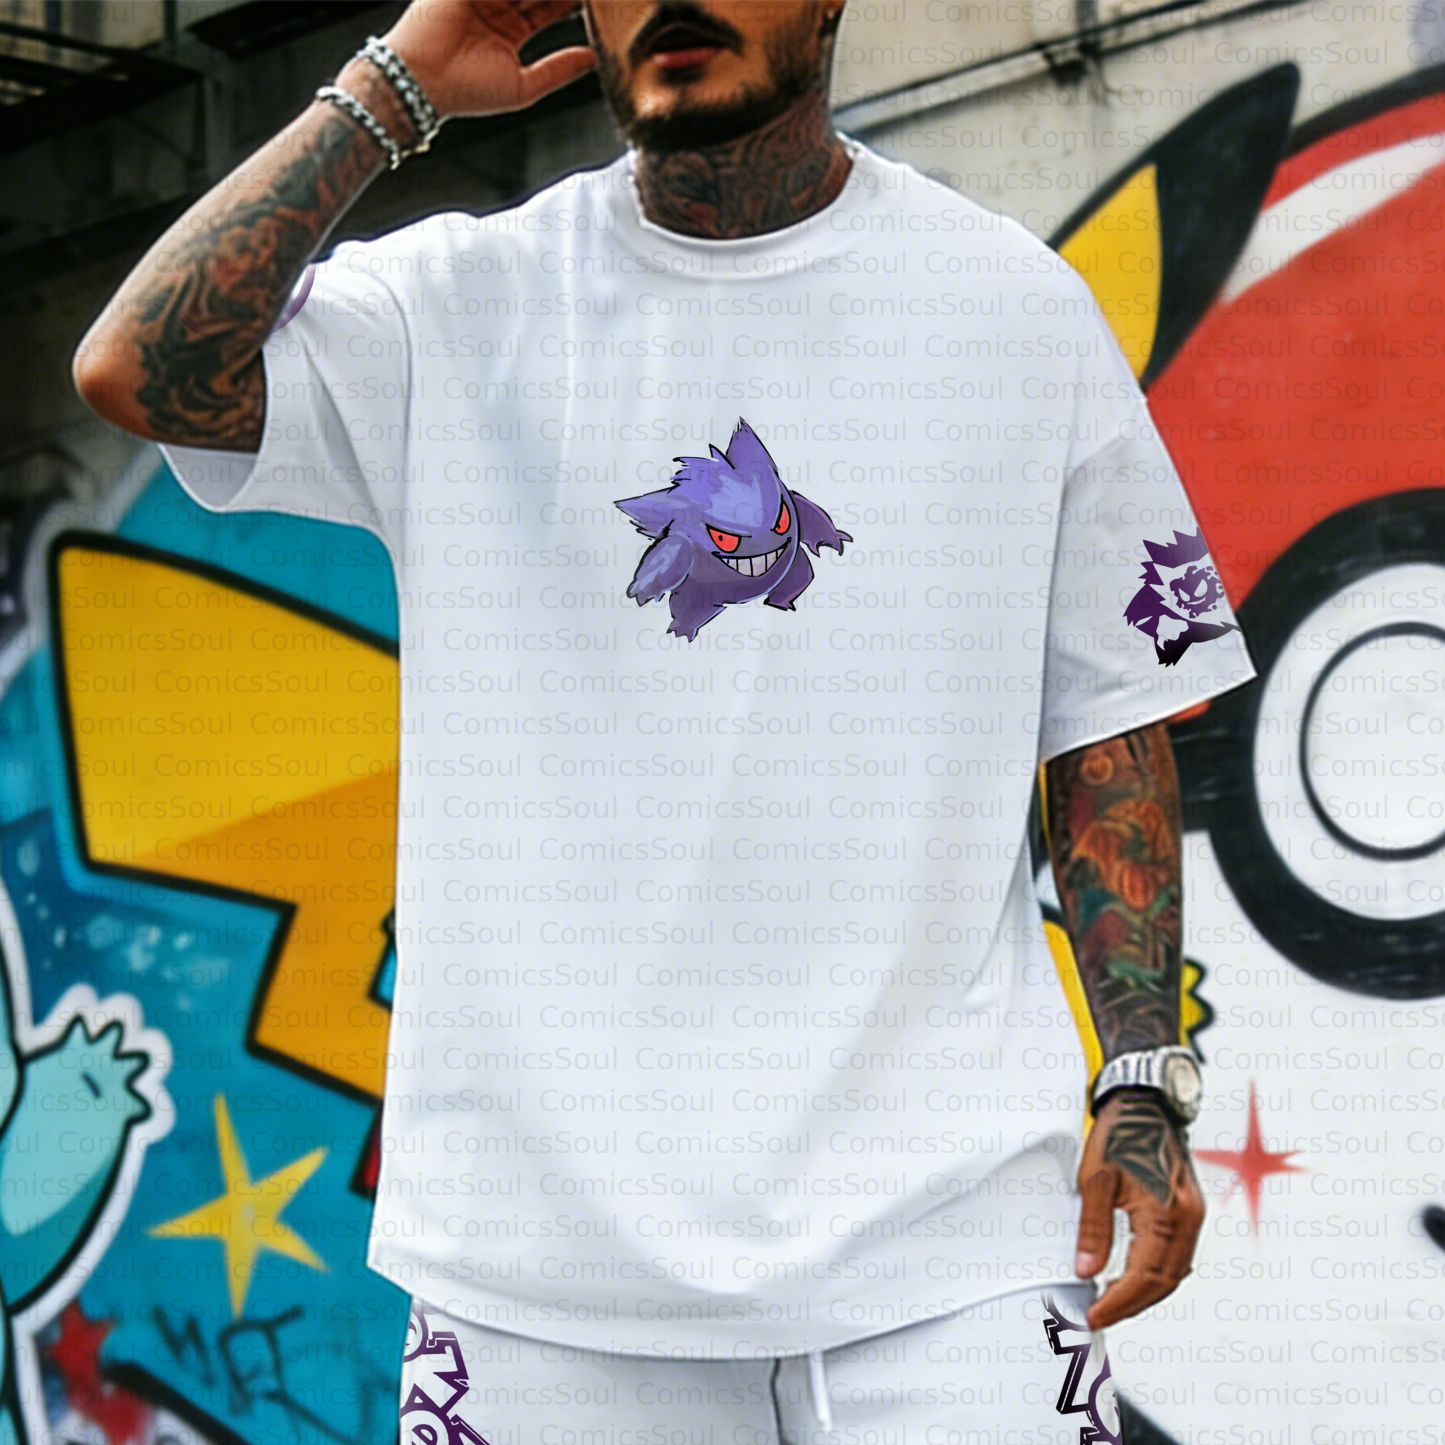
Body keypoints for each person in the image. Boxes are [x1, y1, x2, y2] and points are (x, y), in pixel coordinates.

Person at [72, 0, 1255, 1437]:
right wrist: (393, 87)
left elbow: (1108, 724)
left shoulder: (1009, 308)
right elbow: (139, 372)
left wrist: (1144, 1078)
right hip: (537, 1277)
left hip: (952, 1252)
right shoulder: (461, 303)